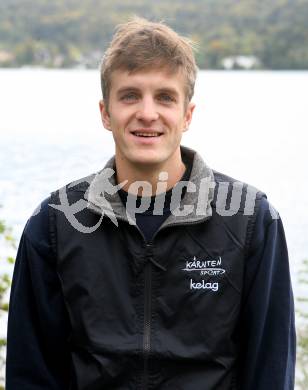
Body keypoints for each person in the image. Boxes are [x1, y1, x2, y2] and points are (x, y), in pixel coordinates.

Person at [6, 17, 296, 390]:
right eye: (129, 95)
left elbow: (270, 373)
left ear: (187, 115)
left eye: (165, 97)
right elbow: (31, 376)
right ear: (105, 113)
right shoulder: (56, 223)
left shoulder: (251, 219)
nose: (147, 113)